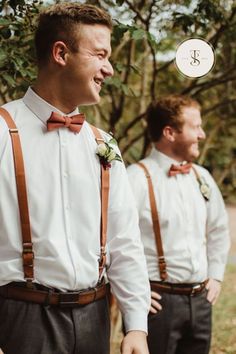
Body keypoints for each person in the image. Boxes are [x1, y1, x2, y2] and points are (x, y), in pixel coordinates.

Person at [0, 3, 150, 354]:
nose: (109, 69)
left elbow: (124, 241)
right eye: (100, 54)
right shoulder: (3, 134)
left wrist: (137, 326)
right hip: (21, 319)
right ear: (60, 53)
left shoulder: (103, 144)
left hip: (93, 319)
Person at [127, 95, 230, 354]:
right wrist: (128, 291)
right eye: (196, 127)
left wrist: (215, 276)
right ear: (170, 132)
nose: (202, 135)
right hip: (157, 305)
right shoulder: (135, 179)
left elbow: (218, 229)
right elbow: (108, 237)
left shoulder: (201, 177)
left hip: (201, 301)